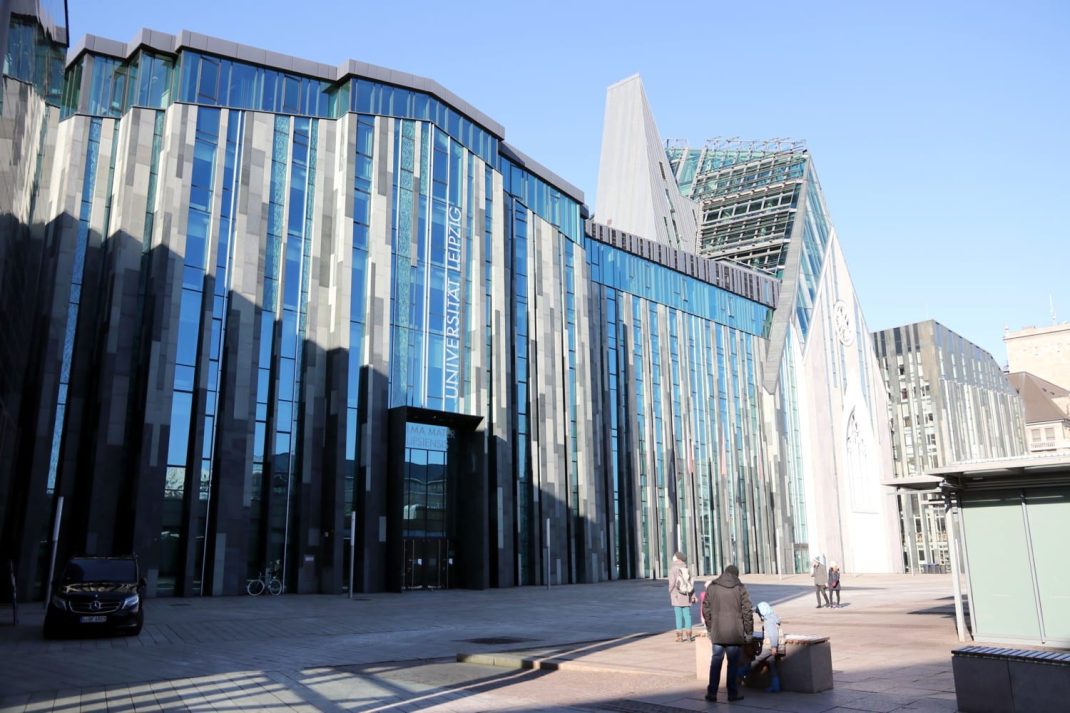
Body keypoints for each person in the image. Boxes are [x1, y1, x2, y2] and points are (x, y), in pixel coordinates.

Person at [701, 564, 753, 703]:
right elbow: (747, 611)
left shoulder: (712, 587)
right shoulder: (740, 587)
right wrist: (749, 632)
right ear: (736, 575)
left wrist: (710, 628)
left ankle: (712, 693)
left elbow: (706, 610)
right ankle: (732, 693)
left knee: (716, 662)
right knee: (733, 665)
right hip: (735, 633)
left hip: (718, 632)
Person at [745, 601, 782, 692]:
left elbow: (773, 634)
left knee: (755, 660)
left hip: (769, 647)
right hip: (771, 647)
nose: (758, 615)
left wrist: (773, 647)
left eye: (759, 613)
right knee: (772, 666)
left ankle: (741, 674)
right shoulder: (773, 618)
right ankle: (776, 687)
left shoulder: (768, 621)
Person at [667, 551, 696, 641]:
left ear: (677, 558)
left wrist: (669, 590)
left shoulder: (673, 569)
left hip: (676, 595)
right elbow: (690, 583)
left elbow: (671, 583)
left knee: (678, 615)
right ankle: (689, 635)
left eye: (674, 556)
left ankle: (679, 636)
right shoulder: (687, 568)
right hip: (686, 594)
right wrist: (693, 595)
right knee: (687, 615)